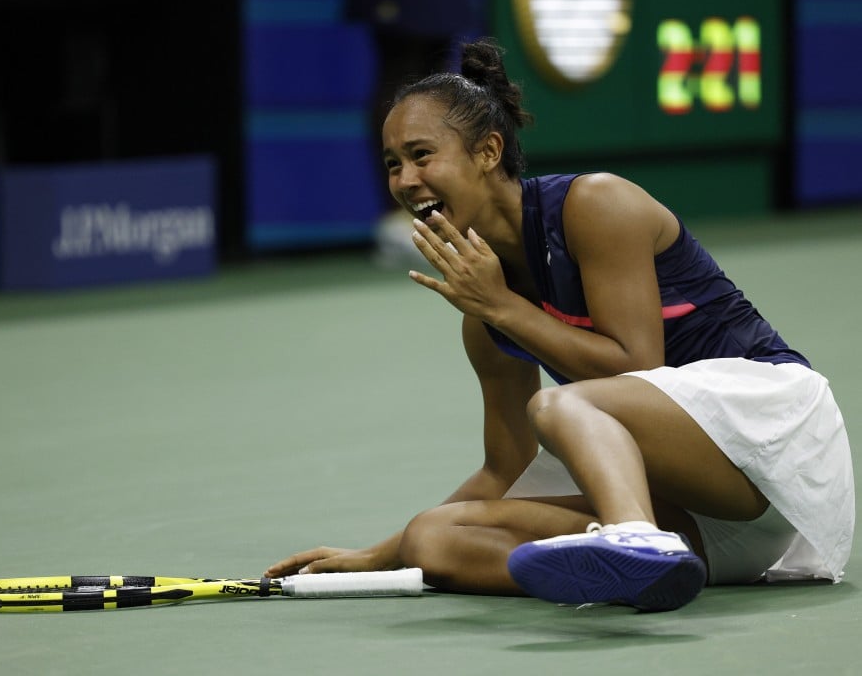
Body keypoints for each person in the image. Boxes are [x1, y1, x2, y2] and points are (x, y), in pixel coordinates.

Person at [264, 38, 854, 611]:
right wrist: (376, 556)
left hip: (773, 454)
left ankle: (633, 541)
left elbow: (639, 370)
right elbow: (507, 467)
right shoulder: (486, 314)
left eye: (422, 155)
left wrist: (502, 307)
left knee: (560, 407)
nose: (405, 181)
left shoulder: (595, 206)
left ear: (489, 152)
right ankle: (642, 565)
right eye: (393, 165)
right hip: (694, 521)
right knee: (434, 538)